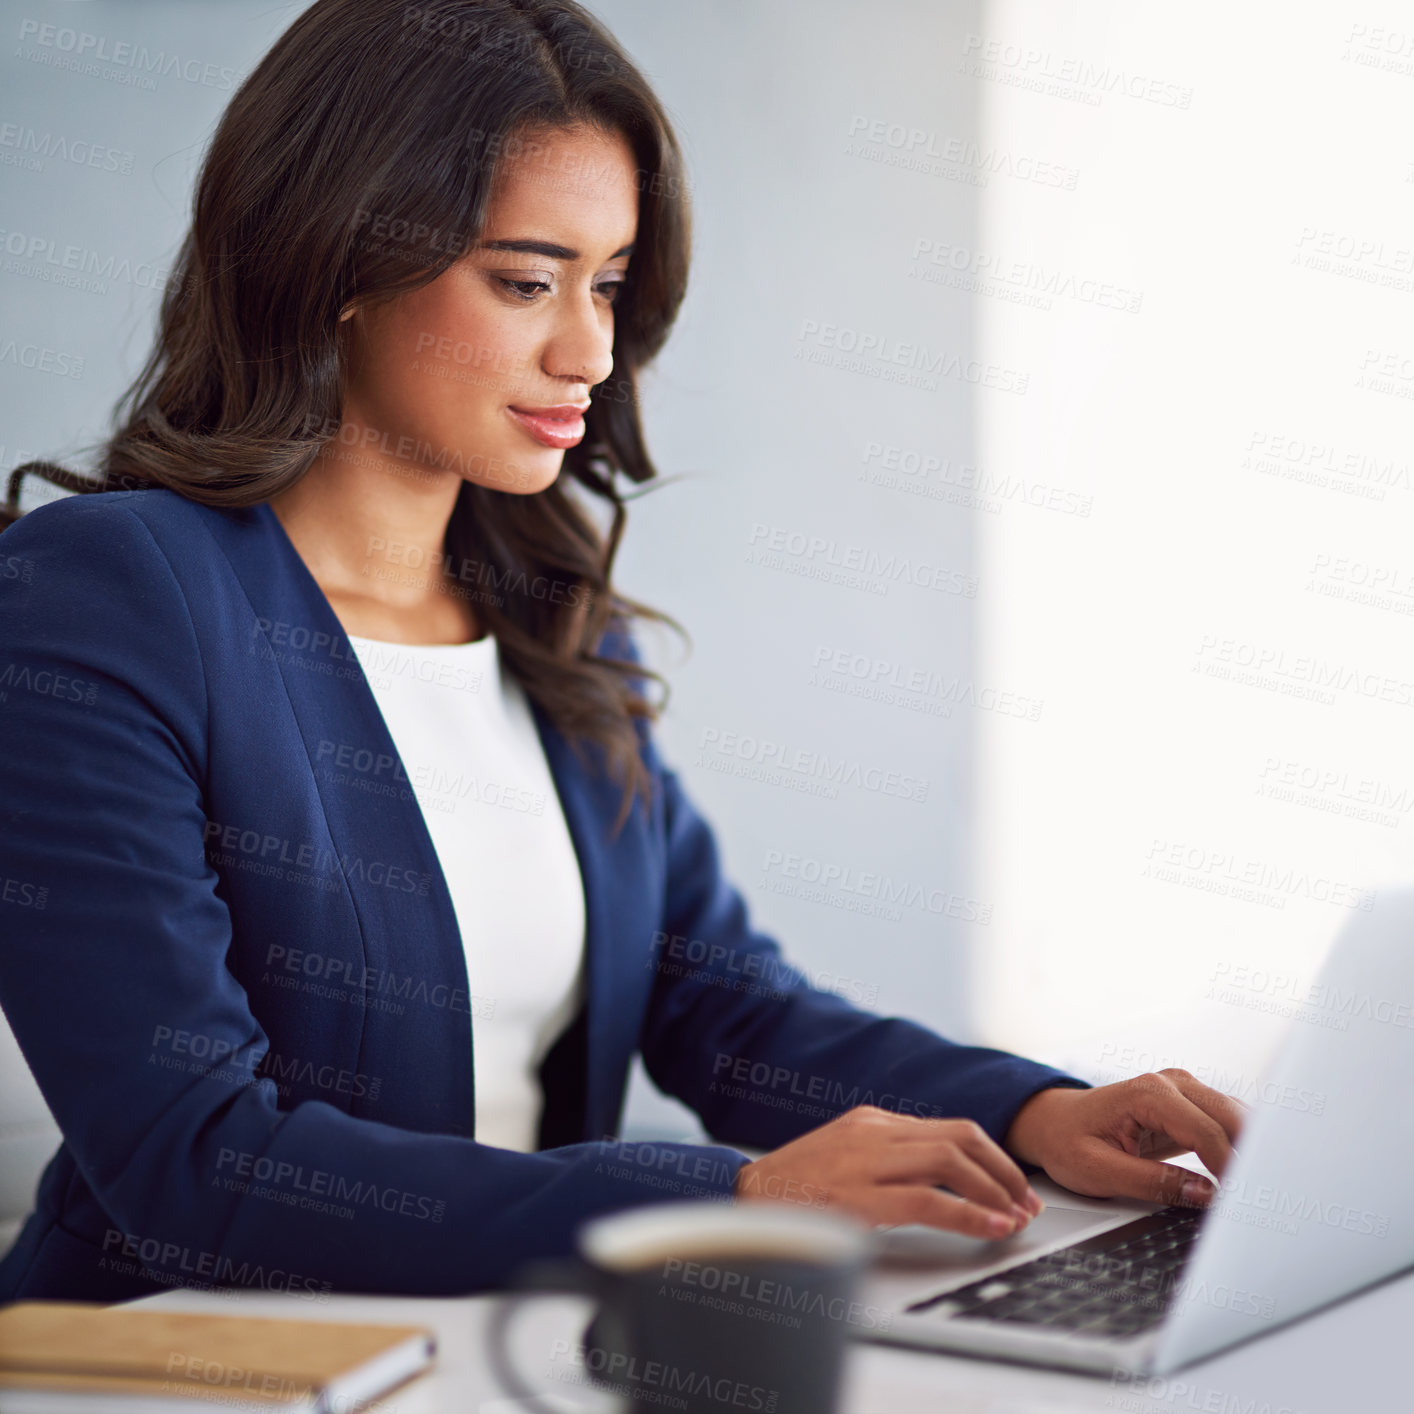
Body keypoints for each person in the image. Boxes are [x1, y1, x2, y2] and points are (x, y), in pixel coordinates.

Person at [0, 0, 1242, 1304]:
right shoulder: (107, 592)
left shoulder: (545, 607)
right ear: (339, 260)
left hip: (492, 1350)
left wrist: (1037, 1107)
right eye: (526, 281)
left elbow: (721, 1006)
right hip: (181, 1367)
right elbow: (195, 1164)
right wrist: (732, 1197)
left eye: (606, 282)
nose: (588, 348)